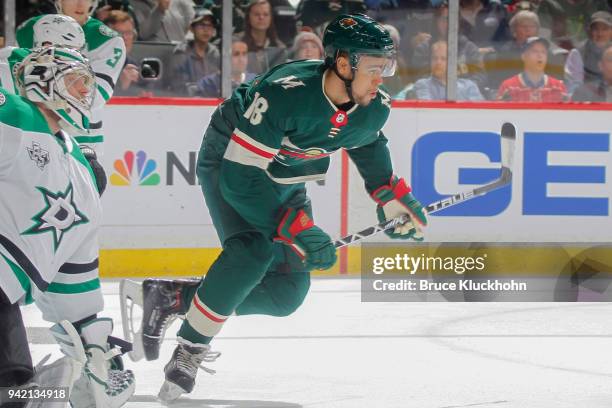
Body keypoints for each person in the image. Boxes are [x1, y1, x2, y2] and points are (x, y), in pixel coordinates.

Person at [121, 13, 428, 401]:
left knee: (286, 294)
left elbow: (365, 141)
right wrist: (293, 226)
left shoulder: (373, 104)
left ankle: (173, 298)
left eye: (387, 67)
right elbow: (239, 177)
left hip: (286, 176)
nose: (382, 77)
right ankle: (189, 349)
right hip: (230, 163)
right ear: (344, 63)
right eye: (374, 68)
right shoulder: (285, 93)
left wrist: (388, 194)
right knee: (252, 250)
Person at [0, 45, 134, 407]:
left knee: (16, 388)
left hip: (7, 292)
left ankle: (35, 392)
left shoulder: (79, 166)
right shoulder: (17, 115)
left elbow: (74, 276)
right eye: (76, 82)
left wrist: (94, 346)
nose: (86, 93)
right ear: (43, 83)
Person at [17, 0, 127, 154]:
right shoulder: (30, 30)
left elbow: (93, 96)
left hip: (81, 139)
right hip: (33, 131)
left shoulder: (107, 40)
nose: (80, 4)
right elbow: (16, 80)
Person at [497, 36, 568, 102]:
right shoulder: (508, 86)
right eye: (535, 51)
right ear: (524, 56)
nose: (540, 55)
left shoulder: (558, 87)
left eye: (543, 52)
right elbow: (498, 113)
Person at [169, 8, 221, 96]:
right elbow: (178, 88)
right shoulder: (181, 52)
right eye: (201, 25)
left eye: (210, 26)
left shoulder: (215, 53)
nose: (206, 30)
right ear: (192, 28)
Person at [414, 40, 484, 101]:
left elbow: (480, 112)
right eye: (434, 58)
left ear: (452, 62)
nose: (438, 62)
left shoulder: (469, 86)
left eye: (443, 58)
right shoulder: (423, 85)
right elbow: (428, 111)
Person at [564, 11, 612, 94]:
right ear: (589, 31)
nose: (600, 34)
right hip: (586, 101)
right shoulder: (577, 52)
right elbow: (572, 87)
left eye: (605, 29)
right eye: (596, 29)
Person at [240, 0, 288, 74]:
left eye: (265, 14)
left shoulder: (279, 48)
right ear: (248, 17)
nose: (261, 17)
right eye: (256, 14)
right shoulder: (237, 43)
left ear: (271, 18)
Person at [130, 0, 195, 42]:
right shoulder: (134, 4)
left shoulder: (182, 2)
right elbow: (143, 33)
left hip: (180, 51)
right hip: (154, 53)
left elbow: (195, 21)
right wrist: (159, 10)